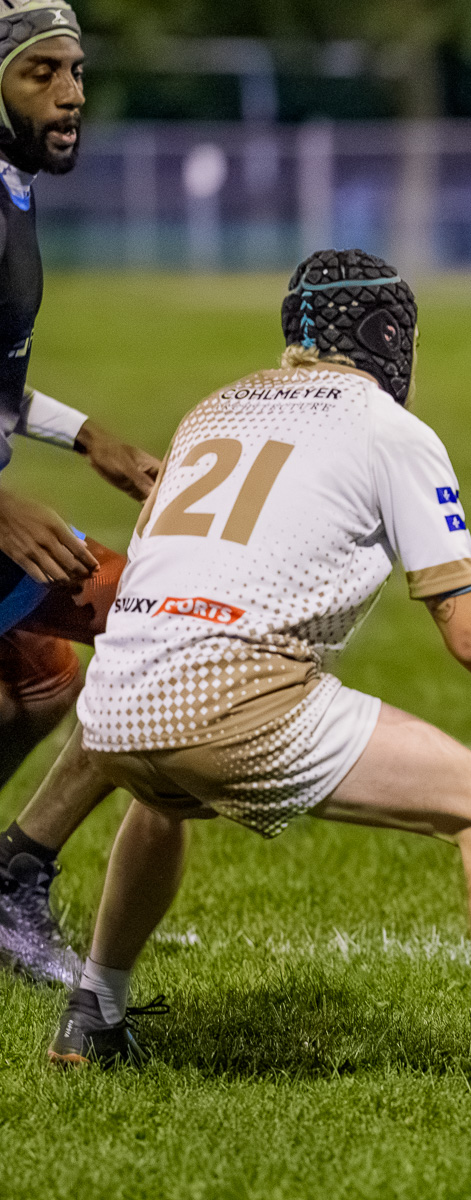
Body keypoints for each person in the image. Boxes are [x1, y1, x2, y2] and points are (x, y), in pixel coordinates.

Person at [48, 249, 471, 1099]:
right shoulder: (387, 428)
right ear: (392, 338)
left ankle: (93, 1012)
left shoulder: (213, 407)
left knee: (160, 795)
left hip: (113, 710)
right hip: (232, 701)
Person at [0, 0, 164, 987]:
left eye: (77, 72)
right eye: (41, 74)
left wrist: (88, 435)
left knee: (44, 681)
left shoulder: (12, 184)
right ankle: (16, 878)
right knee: (147, 608)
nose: (71, 96)